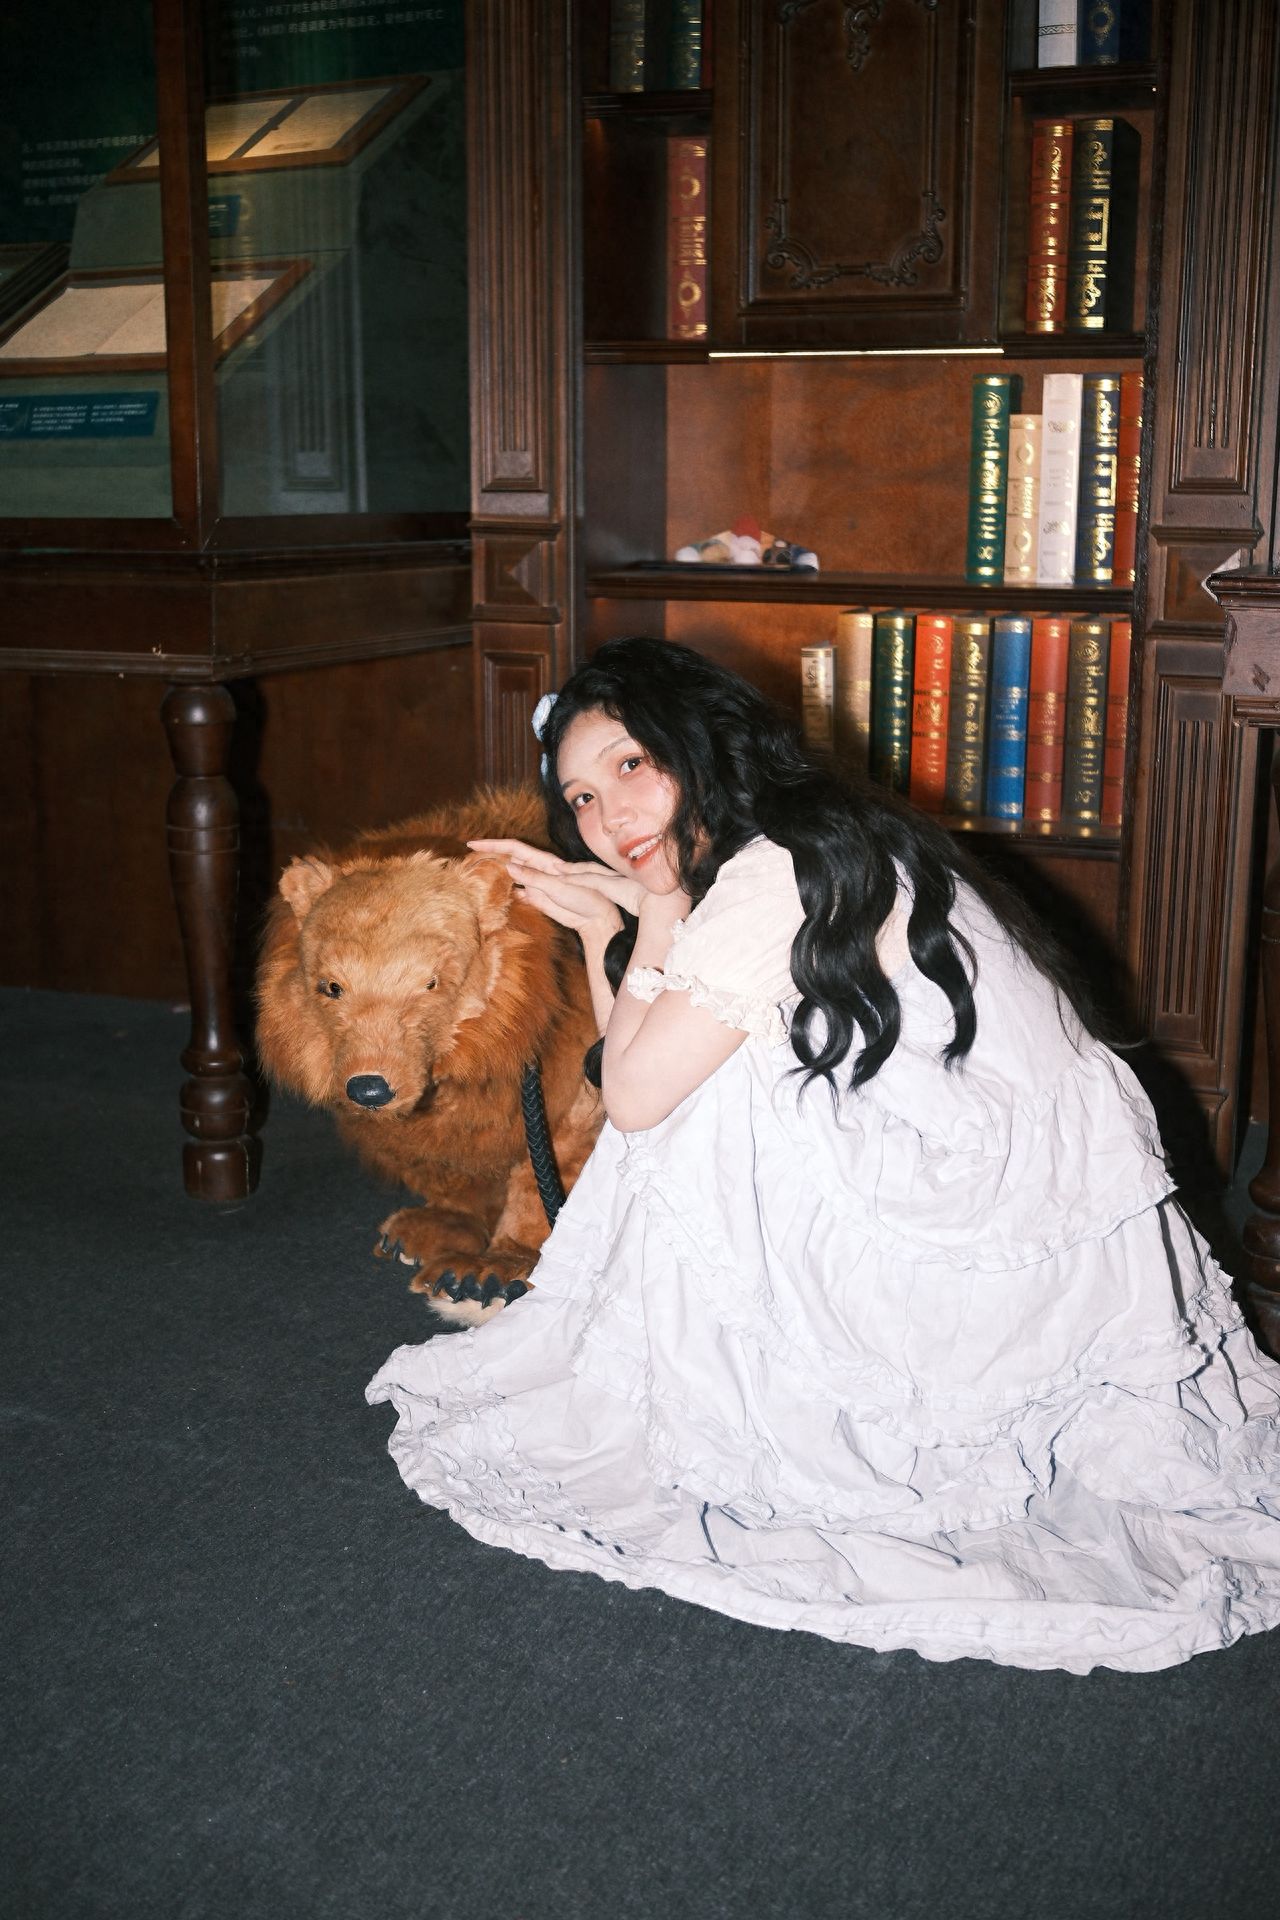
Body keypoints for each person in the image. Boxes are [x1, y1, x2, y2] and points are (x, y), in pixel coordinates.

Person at [366, 637, 1280, 1673]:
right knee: (705, 1069)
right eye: (580, 798)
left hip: (988, 1241)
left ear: (703, 746)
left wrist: (644, 913)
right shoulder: (803, 835)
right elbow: (653, 1055)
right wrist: (619, 916)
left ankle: (740, 1402)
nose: (608, 817)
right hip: (1013, 1185)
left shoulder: (767, 876)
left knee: (703, 1096)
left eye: (631, 765)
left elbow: (634, 1098)